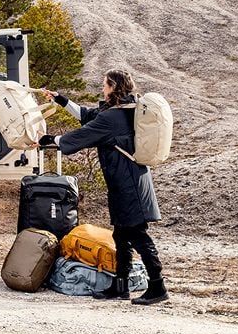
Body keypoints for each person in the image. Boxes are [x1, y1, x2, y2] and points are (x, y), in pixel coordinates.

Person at [37, 70, 168, 305]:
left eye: (105, 84)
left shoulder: (113, 117)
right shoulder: (123, 110)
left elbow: (83, 134)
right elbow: (88, 115)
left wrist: (50, 140)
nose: (102, 88)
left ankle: (158, 287)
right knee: (121, 235)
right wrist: (60, 99)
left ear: (113, 87)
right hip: (127, 182)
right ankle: (120, 287)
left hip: (128, 185)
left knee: (138, 234)